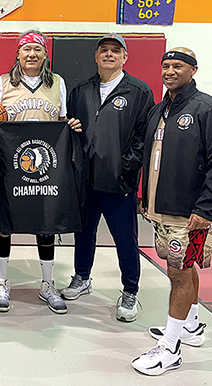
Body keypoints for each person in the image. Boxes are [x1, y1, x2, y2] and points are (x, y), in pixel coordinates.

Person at [0, 30, 80, 314]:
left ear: (45, 55)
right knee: (5, 225)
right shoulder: (2, 83)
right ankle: (1, 282)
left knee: (45, 225)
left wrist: (70, 126)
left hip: (46, 167)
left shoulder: (57, 83)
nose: (32, 54)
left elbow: (62, 120)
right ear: (18, 54)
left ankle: (48, 284)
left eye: (37, 49)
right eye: (27, 49)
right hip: (11, 165)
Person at [132, 48, 212, 375]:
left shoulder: (209, 109)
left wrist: (206, 207)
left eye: (178, 66)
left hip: (189, 211)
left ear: (194, 70)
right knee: (183, 268)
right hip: (161, 207)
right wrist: (145, 198)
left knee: (178, 274)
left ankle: (170, 348)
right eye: (166, 65)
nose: (170, 71)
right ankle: (190, 326)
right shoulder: (159, 109)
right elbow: (151, 157)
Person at [64, 33, 154, 322]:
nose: (109, 54)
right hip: (85, 180)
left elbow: (145, 135)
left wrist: (126, 166)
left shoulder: (138, 91)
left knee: (125, 240)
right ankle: (82, 277)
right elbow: (70, 129)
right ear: (96, 56)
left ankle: (130, 291)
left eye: (116, 50)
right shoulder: (81, 90)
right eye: (104, 50)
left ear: (125, 57)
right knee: (83, 234)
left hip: (119, 182)